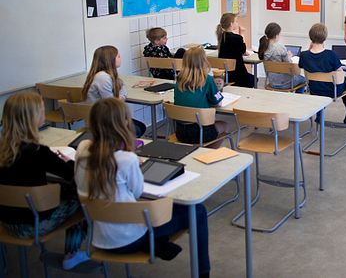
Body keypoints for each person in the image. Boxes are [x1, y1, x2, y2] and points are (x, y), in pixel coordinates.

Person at [75, 98, 211, 278]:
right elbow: (138, 192)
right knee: (197, 211)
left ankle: (159, 243)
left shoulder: (82, 148)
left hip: (100, 237)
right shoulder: (126, 160)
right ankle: (203, 273)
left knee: (146, 207)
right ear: (123, 124)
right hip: (129, 239)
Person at [0, 92, 88, 270]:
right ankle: (72, 253)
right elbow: (74, 174)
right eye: (41, 110)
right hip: (34, 225)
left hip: (6, 222)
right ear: (31, 118)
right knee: (82, 197)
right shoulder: (38, 152)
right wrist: (70, 161)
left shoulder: (3, 150)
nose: (44, 112)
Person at [82, 45, 146, 137]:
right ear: (110, 60)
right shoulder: (103, 77)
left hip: (105, 117)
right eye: (118, 56)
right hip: (103, 121)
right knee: (137, 130)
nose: (120, 58)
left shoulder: (104, 75)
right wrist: (122, 92)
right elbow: (112, 105)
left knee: (141, 126)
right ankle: (118, 147)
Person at [173, 47, 229, 147]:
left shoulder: (179, 79)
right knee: (224, 125)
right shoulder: (207, 79)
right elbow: (218, 103)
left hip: (180, 132)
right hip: (200, 132)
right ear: (204, 61)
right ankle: (208, 152)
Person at [298, 23, 346, 124]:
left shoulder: (304, 55)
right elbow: (340, 72)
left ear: (310, 37)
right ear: (325, 37)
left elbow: (301, 66)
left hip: (314, 89)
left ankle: (319, 115)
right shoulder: (331, 54)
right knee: (344, 80)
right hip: (332, 91)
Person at [257, 22, 305, 93]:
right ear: (276, 35)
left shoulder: (263, 48)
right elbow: (289, 65)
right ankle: (297, 98)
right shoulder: (280, 48)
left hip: (271, 82)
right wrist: (289, 56)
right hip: (285, 83)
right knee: (303, 79)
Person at [216, 13, 254, 88]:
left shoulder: (221, 36)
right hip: (238, 76)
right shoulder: (237, 38)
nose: (237, 23)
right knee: (254, 79)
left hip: (225, 75)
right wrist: (242, 34)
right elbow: (243, 51)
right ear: (231, 24)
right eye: (236, 21)